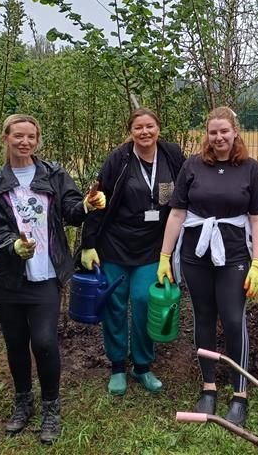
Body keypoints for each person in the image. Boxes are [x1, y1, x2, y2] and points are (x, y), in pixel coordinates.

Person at [0, 114, 105, 445]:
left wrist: (87, 204)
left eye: (31, 137)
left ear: (37, 140)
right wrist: (14, 245)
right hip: (7, 278)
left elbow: (71, 211)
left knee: (45, 341)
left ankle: (51, 405)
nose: (25, 142)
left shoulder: (53, 174)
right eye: (18, 136)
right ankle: (23, 401)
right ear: (6, 138)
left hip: (47, 273)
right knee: (16, 343)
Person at [159, 107, 258, 428]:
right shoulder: (192, 166)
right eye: (213, 132)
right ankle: (208, 386)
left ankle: (239, 391)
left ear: (236, 131)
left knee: (234, 320)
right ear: (207, 135)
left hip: (235, 256)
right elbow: (177, 214)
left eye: (224, 131)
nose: (219, 137)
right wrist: (165, 256)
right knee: (203, 318)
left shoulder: (249, 169)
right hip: (196, 256)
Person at [79, 108, 185, 396]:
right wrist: (88, 243)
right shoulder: (120, 158)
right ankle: (116, 367)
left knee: (143, 301)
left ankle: (142, 366)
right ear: (131, 131)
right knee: (115, 304)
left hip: (153, 246)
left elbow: (187, 190)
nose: (145, 132)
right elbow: (98, 199)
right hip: (115, 244)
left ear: (158, 128)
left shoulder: (172, 155)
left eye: (150, 126)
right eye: (138, 127)